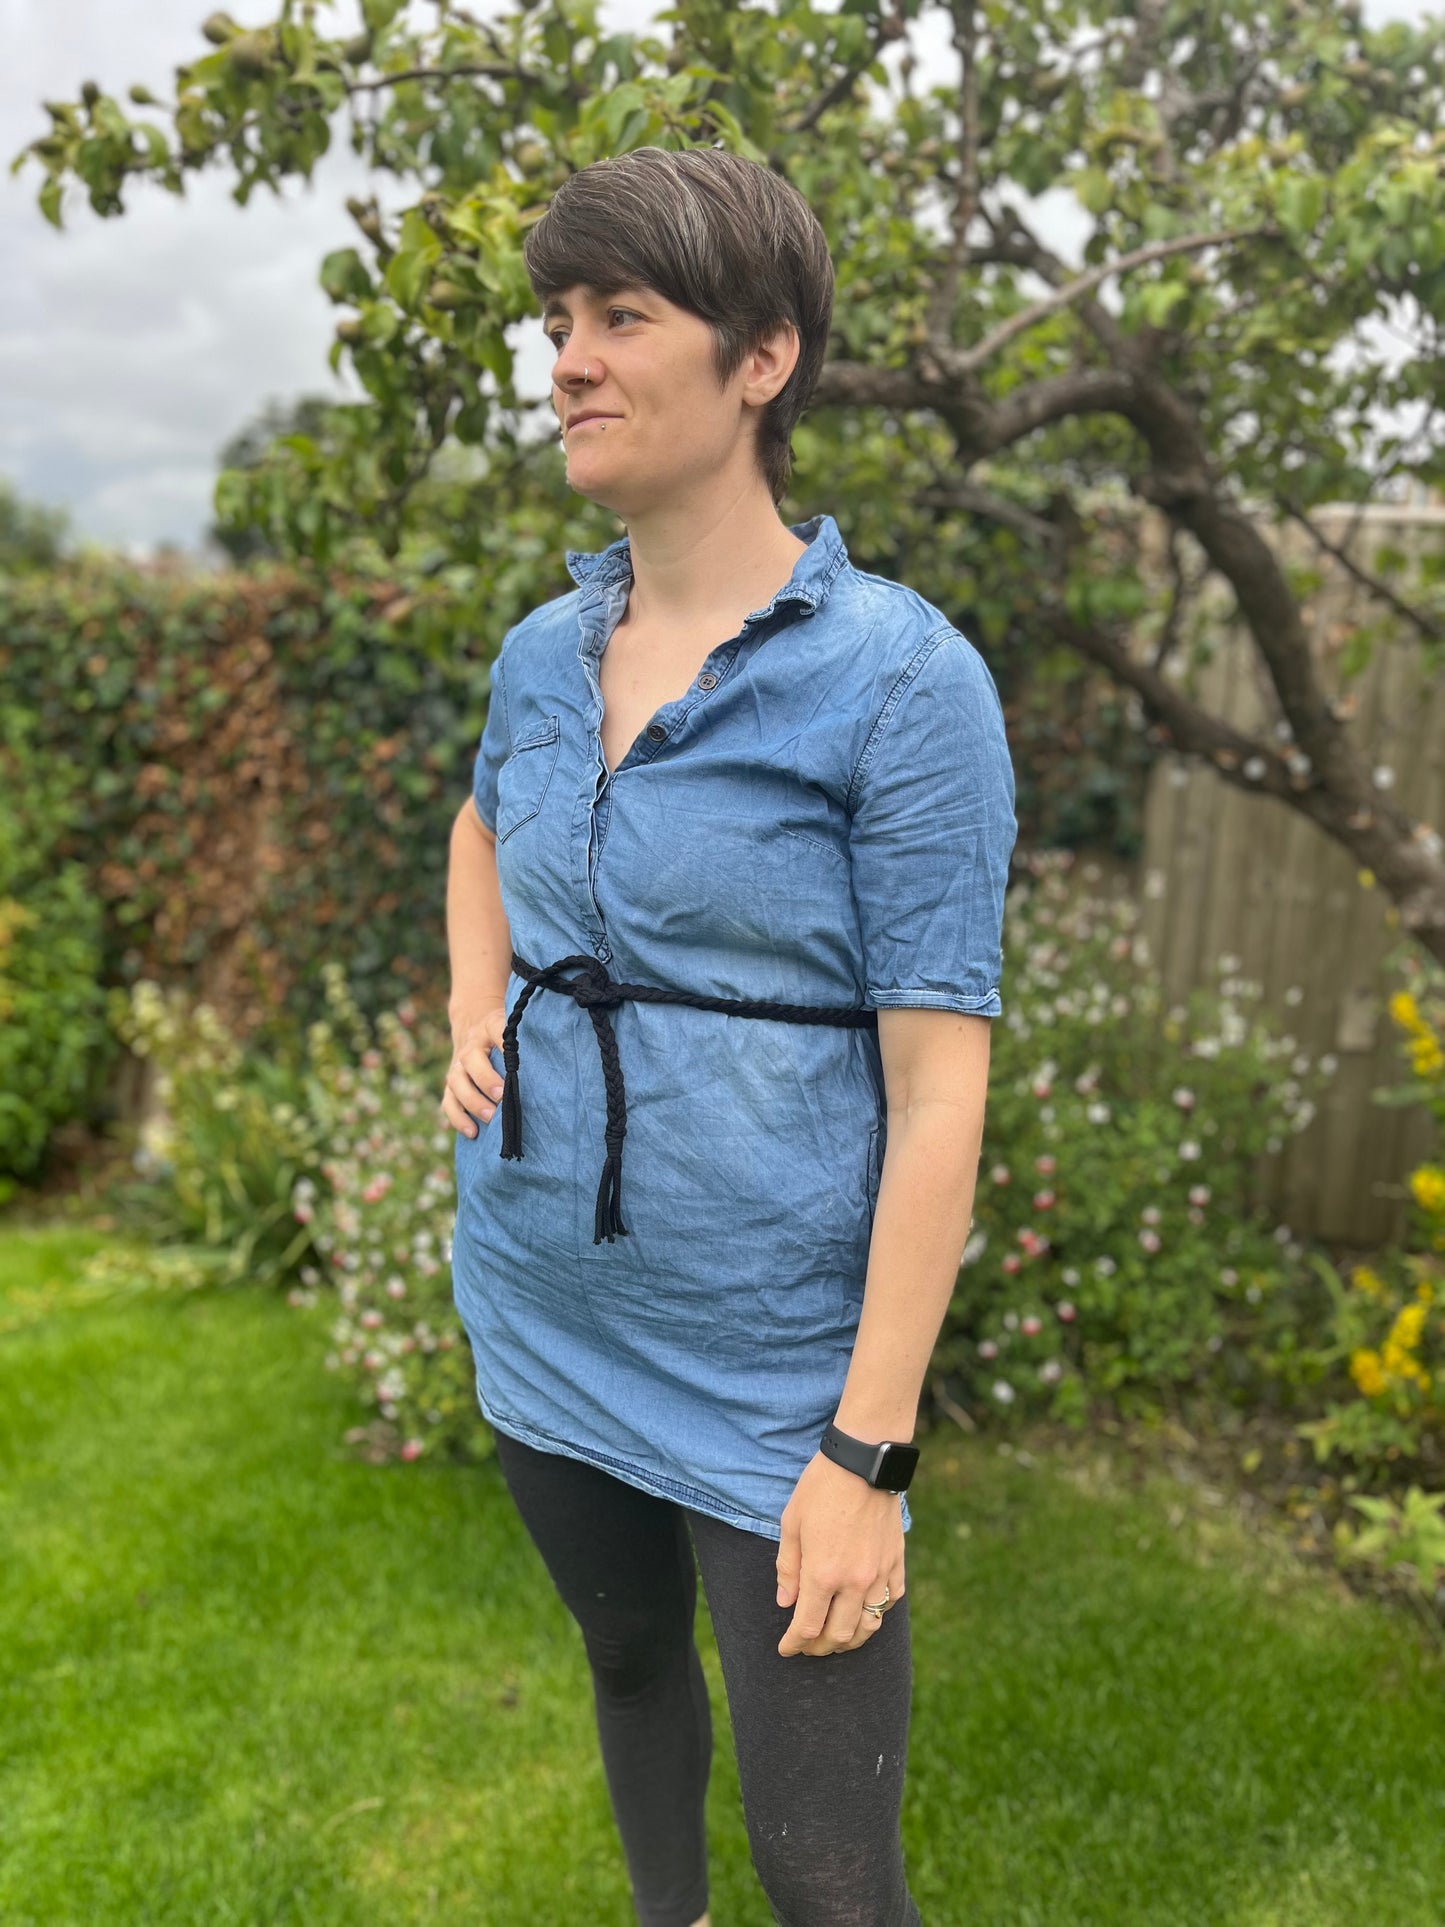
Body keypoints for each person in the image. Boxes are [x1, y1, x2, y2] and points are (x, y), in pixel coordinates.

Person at [442, 146, 1017, 1927]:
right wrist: (478, 1006)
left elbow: (937, 1094)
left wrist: (864, 1456)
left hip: (777, 1375)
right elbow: (481, 825)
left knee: (832, 1880)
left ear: (760, 357)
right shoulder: (544, 651)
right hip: (539, 1299)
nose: (568, 363)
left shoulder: (902, 686)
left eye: (623, 317)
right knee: (626, 1669)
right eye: (556, 322)